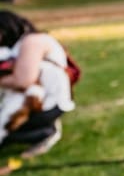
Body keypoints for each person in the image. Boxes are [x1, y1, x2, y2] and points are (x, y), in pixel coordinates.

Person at [0, 11, 75, 158]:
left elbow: (23, 80)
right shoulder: (12, 49)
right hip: (31, 100)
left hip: (46, 103)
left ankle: (46, 132)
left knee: (9, 128)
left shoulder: (33, 41)